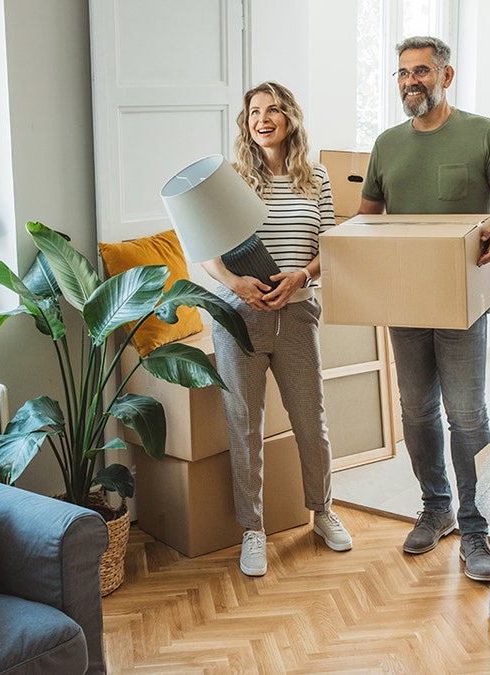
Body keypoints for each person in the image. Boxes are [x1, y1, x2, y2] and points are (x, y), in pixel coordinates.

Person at [358, 36, 490, 582]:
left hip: (462, 303)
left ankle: (476, 526)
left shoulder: (482, 133)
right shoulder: (386, 145)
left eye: (423, 72)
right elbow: (363, 222)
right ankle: (436, 508)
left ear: (446, 76)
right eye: (403, 73)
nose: (411, 81)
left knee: (467, 415)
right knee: (416, 412)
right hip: (404, 301)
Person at [202, 81, 352, 578]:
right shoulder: (231, 180)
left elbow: (330, 247)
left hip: (298, 312)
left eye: (272, 110)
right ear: (246, 125)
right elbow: (205, 251)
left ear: (289, 117)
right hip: (239, 316)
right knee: (244, 426)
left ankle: (323, 512)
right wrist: (235, 283)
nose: (262, 119)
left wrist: (301, 276)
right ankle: (252, 531)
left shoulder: (318, 178)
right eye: (253, 114)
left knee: (311, 418)